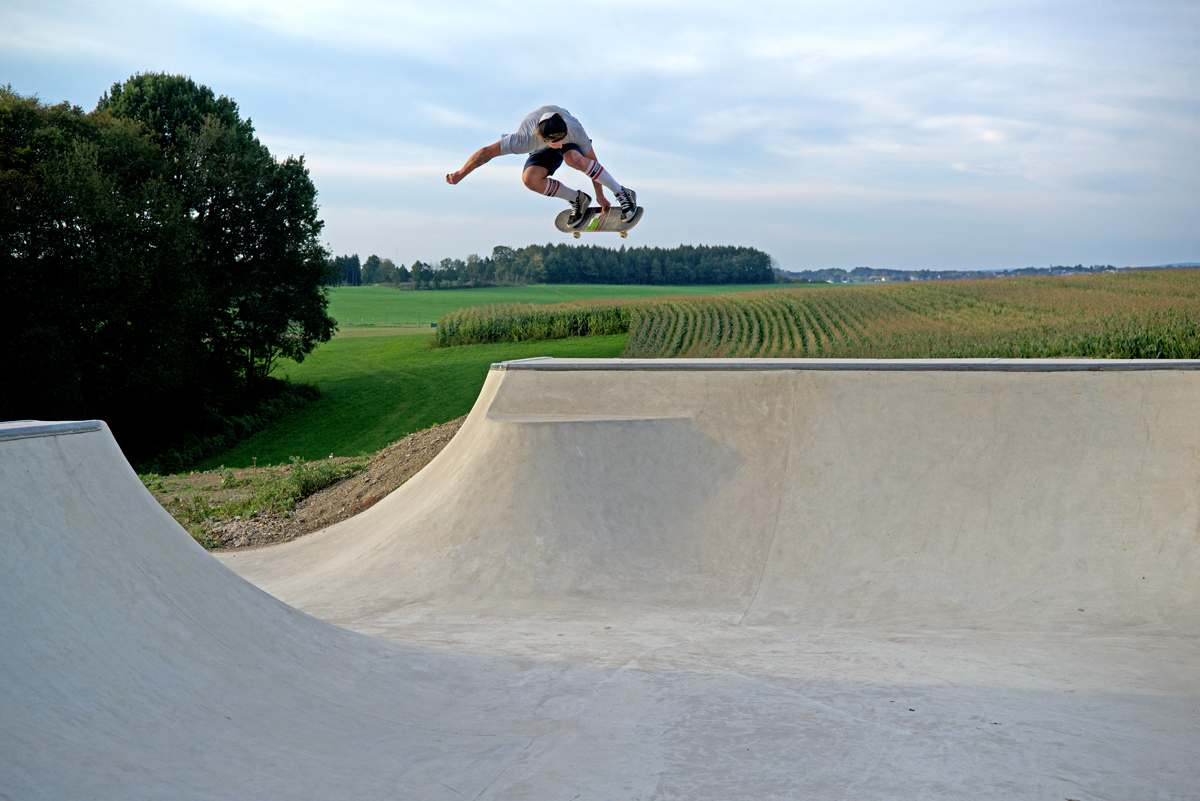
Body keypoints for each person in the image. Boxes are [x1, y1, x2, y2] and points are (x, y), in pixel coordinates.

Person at [445, 105, 637, 228]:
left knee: (572, 157)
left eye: (563, 139)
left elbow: (593, 161)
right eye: (556, 143)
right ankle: (577, 199)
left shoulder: (573, 131)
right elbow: (485, 153)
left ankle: (622, 193)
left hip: (569, 140)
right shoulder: (523, 140)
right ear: (542, 139)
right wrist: (461, 174)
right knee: (529, 179)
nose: (560, 145)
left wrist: (601, 195)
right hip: (539, 145)